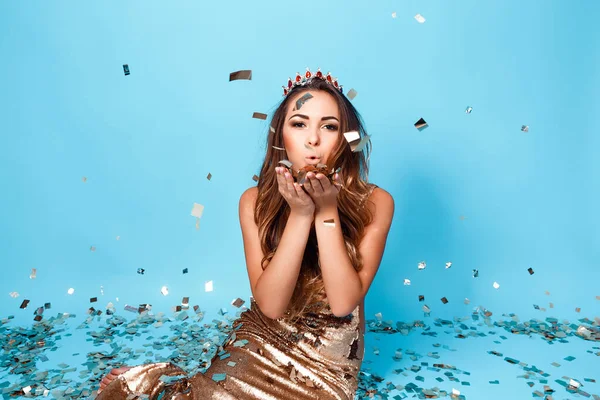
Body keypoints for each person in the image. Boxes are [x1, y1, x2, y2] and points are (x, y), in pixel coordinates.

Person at [96, 67, 395, 399]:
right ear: (280, 137)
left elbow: (342, 304)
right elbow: (270, 305)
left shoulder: (375, 201)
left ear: (346, 138)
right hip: (262, 340)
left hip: (326, 371)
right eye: (299, 124)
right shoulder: (254, 201)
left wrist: (326, 212)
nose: (313, 140)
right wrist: (300, 214)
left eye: (329, 126)